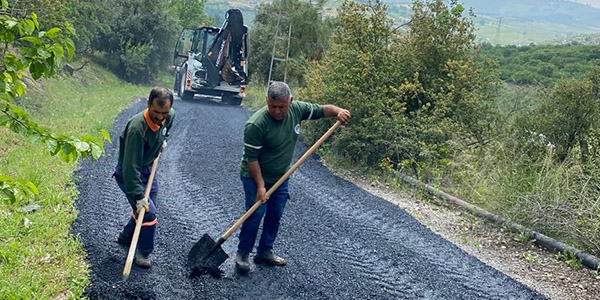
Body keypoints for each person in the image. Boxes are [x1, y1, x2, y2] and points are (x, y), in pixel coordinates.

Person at [234, 81, 351, 272]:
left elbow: (323, 110)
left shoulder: (298, 109)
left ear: (291, 101)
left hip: (281, 175)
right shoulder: (256, 125)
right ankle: (243, 253)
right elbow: (251, 159)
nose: (277, 111)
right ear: (267, 102)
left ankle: (264, 252)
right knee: (256, 213)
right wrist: (261, 186)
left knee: (275, 214)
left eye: (282, 107)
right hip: (255, 175)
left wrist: (338, 111)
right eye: (273, 106)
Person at [113, 87, 175, 268]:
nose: (160, 117)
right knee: (148, 212)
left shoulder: (168, 116)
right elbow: (130, 168)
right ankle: (143, 253)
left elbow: (167, 123)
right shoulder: (136, 130)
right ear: (148, 104)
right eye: (156, 112)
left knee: (146, 208)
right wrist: (139, 196)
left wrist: (162, 139)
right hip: (129, 174)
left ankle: (126, 236)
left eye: (165, 112)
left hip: (148, 169)